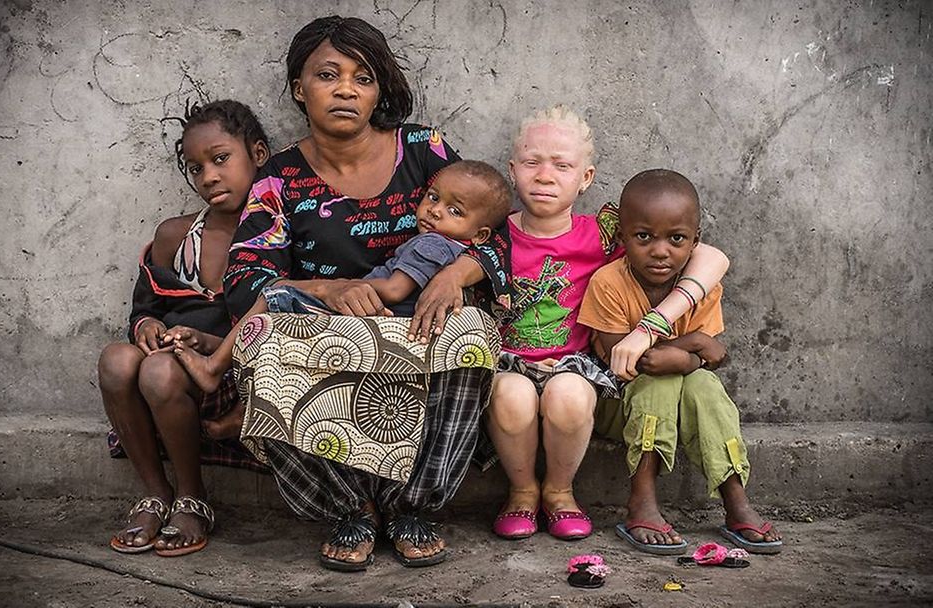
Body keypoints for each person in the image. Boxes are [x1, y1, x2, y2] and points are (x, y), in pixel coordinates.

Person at [221, 16, 512, 571]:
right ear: (299, 88)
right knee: (258, 349)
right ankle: (349, 508)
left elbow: (494, 235)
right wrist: (325, 287)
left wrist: (455, 275)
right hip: (325, 327)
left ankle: (413, 508)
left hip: (419, 323)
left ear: (380, 89)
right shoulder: (277, 178)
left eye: (364, 77)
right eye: (328, 75)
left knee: (471, 336)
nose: (347, 89)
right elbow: (245, 280)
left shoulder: (423, 149)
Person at [487, 107, 731, 542]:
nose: (545, 176)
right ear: (512, 170)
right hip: (508, 362)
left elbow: (711, 258)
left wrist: (654, 324)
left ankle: (560, 494)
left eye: (562, 165)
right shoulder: (492, 233)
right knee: (511, 393)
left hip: (575, 365)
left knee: (567, 394)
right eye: (531, 163)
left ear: (585, 178)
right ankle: (522, 492)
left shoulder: (602, 234)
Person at [172, 159, 512, 394]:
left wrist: (341, 286)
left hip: (372, 322)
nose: (435, 210)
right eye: (433, 198)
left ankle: (214, 367)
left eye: (454, 211)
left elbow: (395, 289)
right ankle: (225, 352)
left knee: (275, 294)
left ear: (481, 235)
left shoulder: (433, 245)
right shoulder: (443, 245)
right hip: (374, 325)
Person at [578, 168, 783, 555]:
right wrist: (691, 345)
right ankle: (641, 499)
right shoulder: (608, 283)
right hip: (614, 404)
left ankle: (735, 498)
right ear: (622, 238)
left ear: (695, 242)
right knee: (662, 379)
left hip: (677, 397)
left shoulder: (702, 287)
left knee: (705, 386)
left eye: (676, 239)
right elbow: (633, 362)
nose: (660, 250)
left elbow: (709, 362)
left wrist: (690, 360)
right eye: (644, 237)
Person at [98, 100, 270, 556]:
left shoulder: (275, 233)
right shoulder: (176, 235)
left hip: (227, 371)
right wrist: (148, 325)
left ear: (258, 154)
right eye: (196, 168)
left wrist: (204, 343)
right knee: (116, 360)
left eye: (220, 159)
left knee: (158, 372)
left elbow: (279, 318)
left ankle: (193, 496)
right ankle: (155, 493)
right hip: (169, 356)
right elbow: (143, 307)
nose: (209, 177)